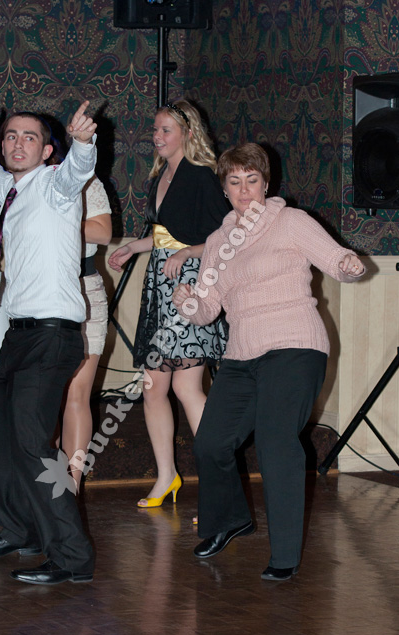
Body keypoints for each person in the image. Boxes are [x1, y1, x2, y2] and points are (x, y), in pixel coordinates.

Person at [173, 142, 365, 581]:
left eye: (252, 180)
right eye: (234, 182)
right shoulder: (218, 243)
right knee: (210, 443)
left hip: (295, 345)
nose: (244, 190)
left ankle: (284, 556)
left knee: (276, 441)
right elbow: (207, 309)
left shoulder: (291, 222)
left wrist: (349, 266)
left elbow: (335, 259)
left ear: (266, 184)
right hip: (242, 354)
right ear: (224, 189)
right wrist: (188, 302)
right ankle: (231, 520)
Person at [0, 101, 97, 585]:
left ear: (47, 151)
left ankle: (73, 556)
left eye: (30, 137)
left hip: (52, 335)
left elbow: (79, 170)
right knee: (5, 436)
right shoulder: (14, 189)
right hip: (20, 336)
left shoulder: (57, 185)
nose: (18, 143)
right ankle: (20, 531)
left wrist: (83, 142)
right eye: (11, 136)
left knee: (36, 447)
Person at [108, 100, 229, 508]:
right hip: (161, 285)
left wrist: (187, 254)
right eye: (155, 129)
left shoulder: (201, 175)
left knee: (186, 386)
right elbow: (166, 234)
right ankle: (166, 477)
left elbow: (225, 239)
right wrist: (133, 248)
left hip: (189, 286)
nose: (157, 137)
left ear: (188, 133)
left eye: (166, 130)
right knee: (153, 387)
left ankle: (218, 485)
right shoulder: (163, 173)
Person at [60, 175, 112, 491]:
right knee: (46, 397)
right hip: (37, 293)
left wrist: (52, 218)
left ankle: (70, 489)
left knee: (76, 394)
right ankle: (44, 490)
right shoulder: (18, 184)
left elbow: (103, 232)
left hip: (84, 287)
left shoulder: (85, 182)